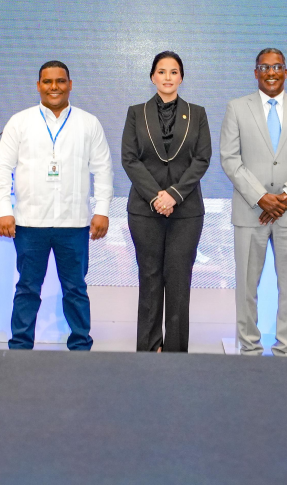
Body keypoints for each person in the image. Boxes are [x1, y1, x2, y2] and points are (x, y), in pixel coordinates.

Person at [0, 61, 113, 351]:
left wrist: (102, 210)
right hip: (29, 223)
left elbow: (103, 169)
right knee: (27, 289)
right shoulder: (20, 122)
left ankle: (80, 348)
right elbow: (1, 168)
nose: (54, 87)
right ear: (38, 86)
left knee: (75, 289)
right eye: (47, 81)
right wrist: (4, 210)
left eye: (60, 81)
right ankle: (20, 349)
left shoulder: (88, 123)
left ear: (70, 84)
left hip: (74, 224)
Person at [221, 48, 287, 357]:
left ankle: (285, 350)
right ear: (255, 72)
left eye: (277, 66)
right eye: (264, 67)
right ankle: (249, 349)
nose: (271, 72)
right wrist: (261, 197)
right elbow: (230, 159)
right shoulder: (237, 108)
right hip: (250, 211)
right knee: (246, 286)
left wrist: (285, 196)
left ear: (286, 71)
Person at [122, 51, 212, 352]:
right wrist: (155, 196)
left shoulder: (197, 113)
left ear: (181, 77)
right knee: (149, 279)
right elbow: (129, 159)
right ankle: (149, 349)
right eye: (162, 71)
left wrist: (173, 194)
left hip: (186, 211)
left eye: (174, 72)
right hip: (144, 210)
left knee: (178, 281)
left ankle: (175, 351)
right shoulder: (136, 113)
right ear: (152, 77)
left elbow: (202, 159)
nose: (168, 77)